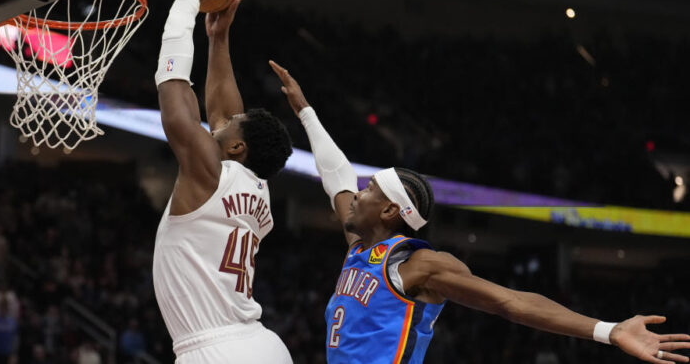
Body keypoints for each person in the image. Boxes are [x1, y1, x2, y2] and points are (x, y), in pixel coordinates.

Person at [269, 61, 690, 364]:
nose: (358, 193)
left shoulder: (420, 265)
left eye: (371, 189)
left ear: (392, 210)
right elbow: (336, 176)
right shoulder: (361, 247)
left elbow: (510, 302)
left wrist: (608, 330)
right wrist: (304, 111)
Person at [153, 0, 293, 363]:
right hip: (260, 345)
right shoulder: (256, 189)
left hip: (215, 349)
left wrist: (186, 1)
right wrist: (218, 38)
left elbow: (175, 95)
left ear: (236, 149)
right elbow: (223, 114)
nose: (221, 122)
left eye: (231, 126)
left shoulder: (212, 177)